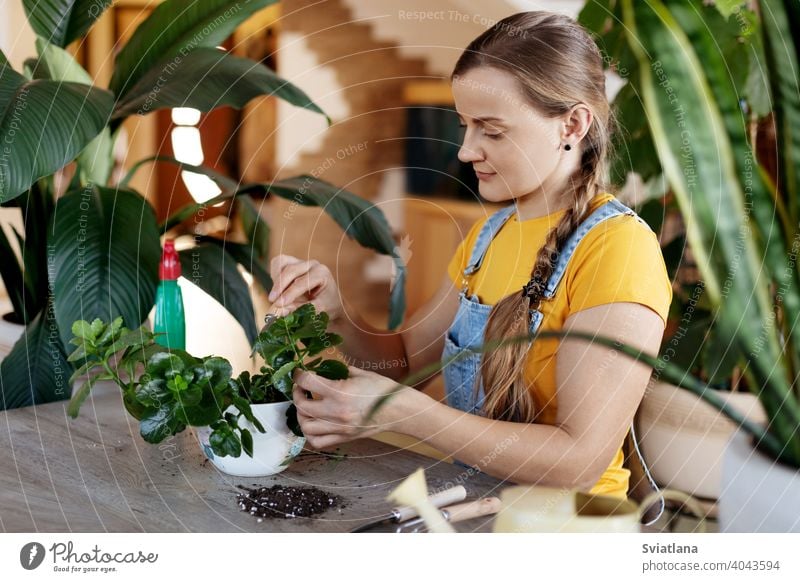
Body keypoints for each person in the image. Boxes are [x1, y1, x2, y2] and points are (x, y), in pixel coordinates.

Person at [266, 11, 672, 500]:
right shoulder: (488, 236)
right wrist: (334, 311)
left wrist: (405, 414)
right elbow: (408, 368)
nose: (464, 150)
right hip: (472, 504)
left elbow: (579, 461)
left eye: (492, 130)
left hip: (567, 527)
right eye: (463, 125)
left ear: (573, 123)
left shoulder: (618, 249)